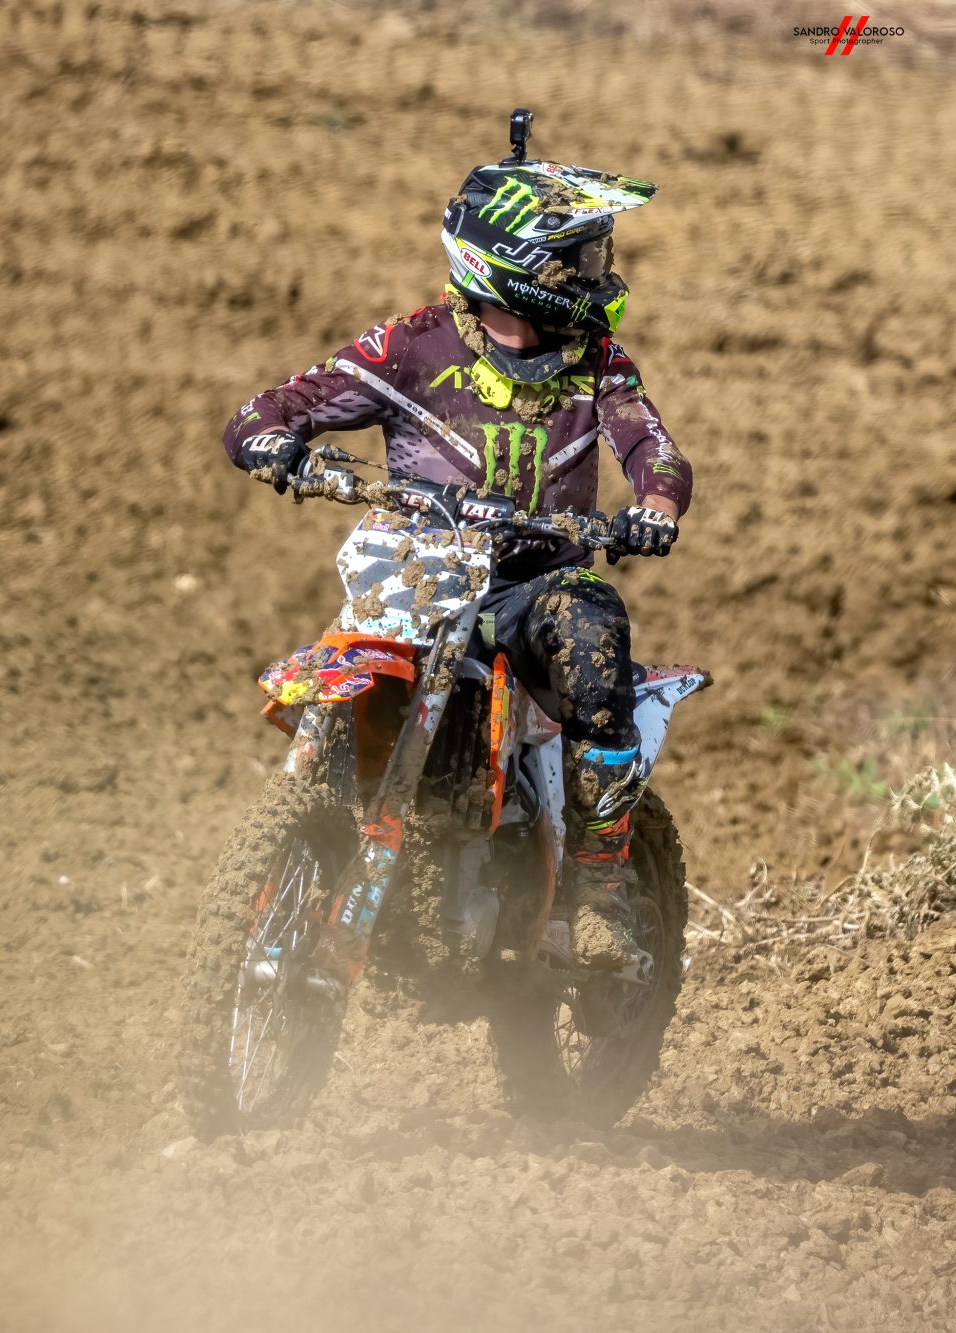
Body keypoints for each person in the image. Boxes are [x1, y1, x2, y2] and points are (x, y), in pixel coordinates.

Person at [220, 111, 691, 972]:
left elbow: (650, 446)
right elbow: (276, 405)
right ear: (514, 265)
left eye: (598, 257)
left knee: (593, 622)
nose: (599, 275)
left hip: (533, 588)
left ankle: (601, 888)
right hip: (419, 568)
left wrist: (654, 504)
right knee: (344, 655)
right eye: (579, 261)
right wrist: (272, 441)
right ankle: (319, 834)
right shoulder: (411, 347)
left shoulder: (598, 363)